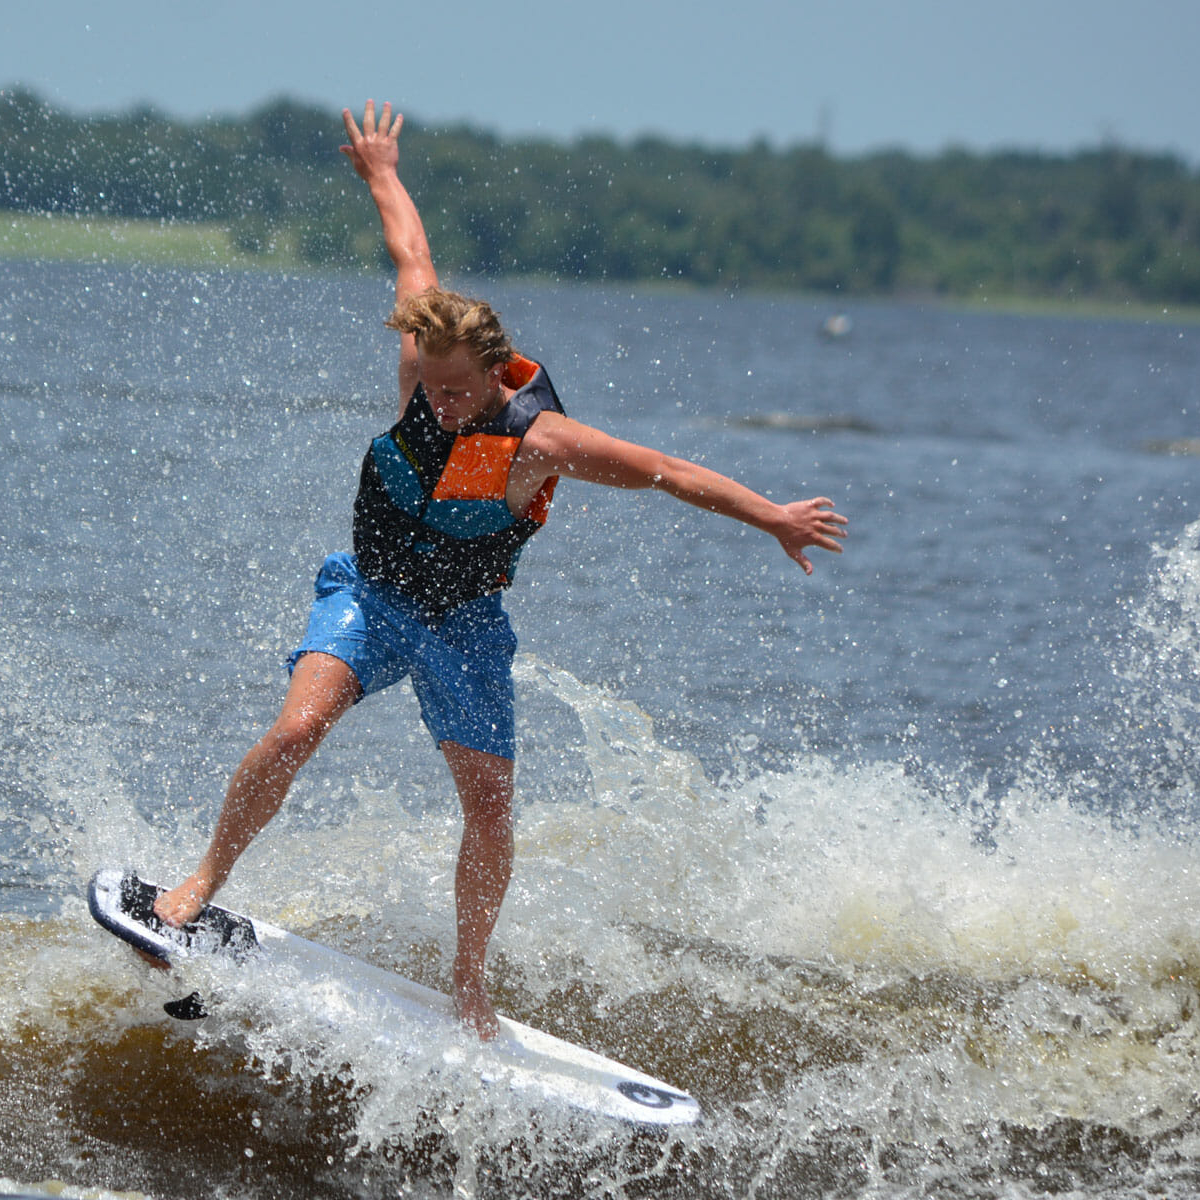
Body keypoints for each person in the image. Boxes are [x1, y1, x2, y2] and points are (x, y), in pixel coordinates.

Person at [155, 100, 848, 1039]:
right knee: (296, 730)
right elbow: (412, 257)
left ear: (491, 374)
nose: (435, 404)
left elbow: (668, 472)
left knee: (487, 805)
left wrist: (772, 515)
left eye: (453, 390)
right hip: (371, 595)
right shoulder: (420, 372)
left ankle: (469, 980)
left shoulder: (541, 442)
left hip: (466, 626)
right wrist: (383, 174)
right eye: (425, 385)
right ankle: (205, 877)